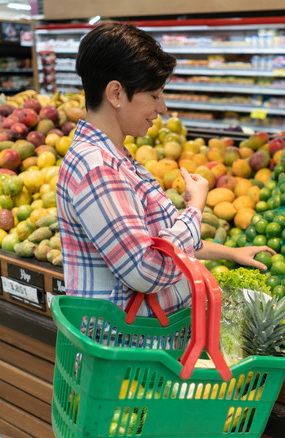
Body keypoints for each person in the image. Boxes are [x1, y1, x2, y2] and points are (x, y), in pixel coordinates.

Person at [56, 22, 273, 317]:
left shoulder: (116, 157)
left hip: (144, 345)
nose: (163, 108)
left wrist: (231, 253)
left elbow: (164, 241)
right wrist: (196, 207)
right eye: (155, 96)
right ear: (116, 94)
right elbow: (147, 270)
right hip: (127, 351)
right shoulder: (98, 169)